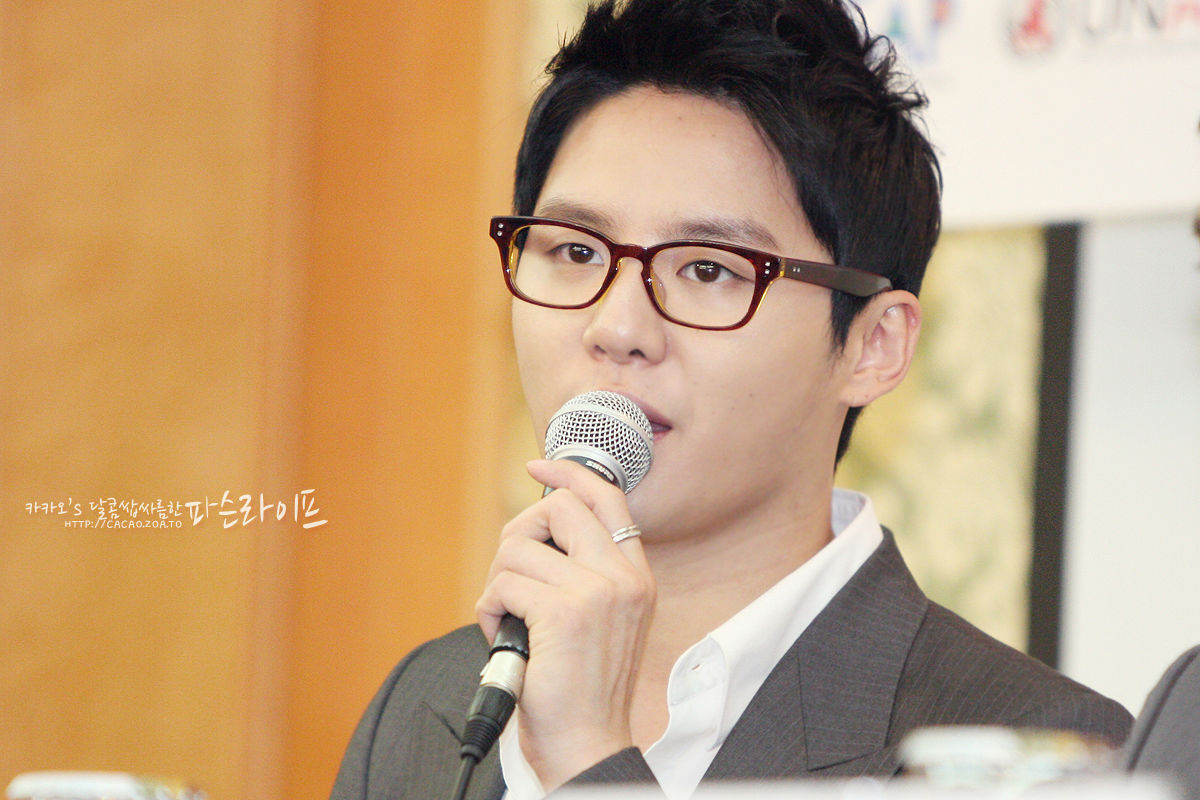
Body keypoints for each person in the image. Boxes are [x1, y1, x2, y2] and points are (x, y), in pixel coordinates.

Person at [330, 1, 1132, 798]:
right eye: (575, 252)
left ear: (873, 345)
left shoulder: (1043, 755)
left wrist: (588, 759)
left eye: (708, 270)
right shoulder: (425, 707)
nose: (617, 327)